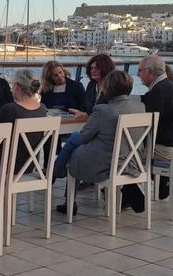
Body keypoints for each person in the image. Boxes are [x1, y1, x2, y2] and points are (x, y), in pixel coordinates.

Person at [58, 70, 148, 213]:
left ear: (108, 89)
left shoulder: (103, 110)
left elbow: (85, 136)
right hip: (130, 160)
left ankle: (66, 194)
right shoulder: (140, 107)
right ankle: (128, 188)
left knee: (75, 147)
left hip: (107, 163)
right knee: (77, 143)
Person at [138, 55, 173, 200]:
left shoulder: (158, 91)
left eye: (140, 70)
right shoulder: (169, 86)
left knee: (123, 152)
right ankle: (159, 182)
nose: (137, 74)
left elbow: (146, 122)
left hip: (164, 150)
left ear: (150, 71)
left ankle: (130, 193)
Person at [0, 69, 47, 174]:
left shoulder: (9, 109)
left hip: (4, 167)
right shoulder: (42, 109)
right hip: (29, 165)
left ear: (16, 86)